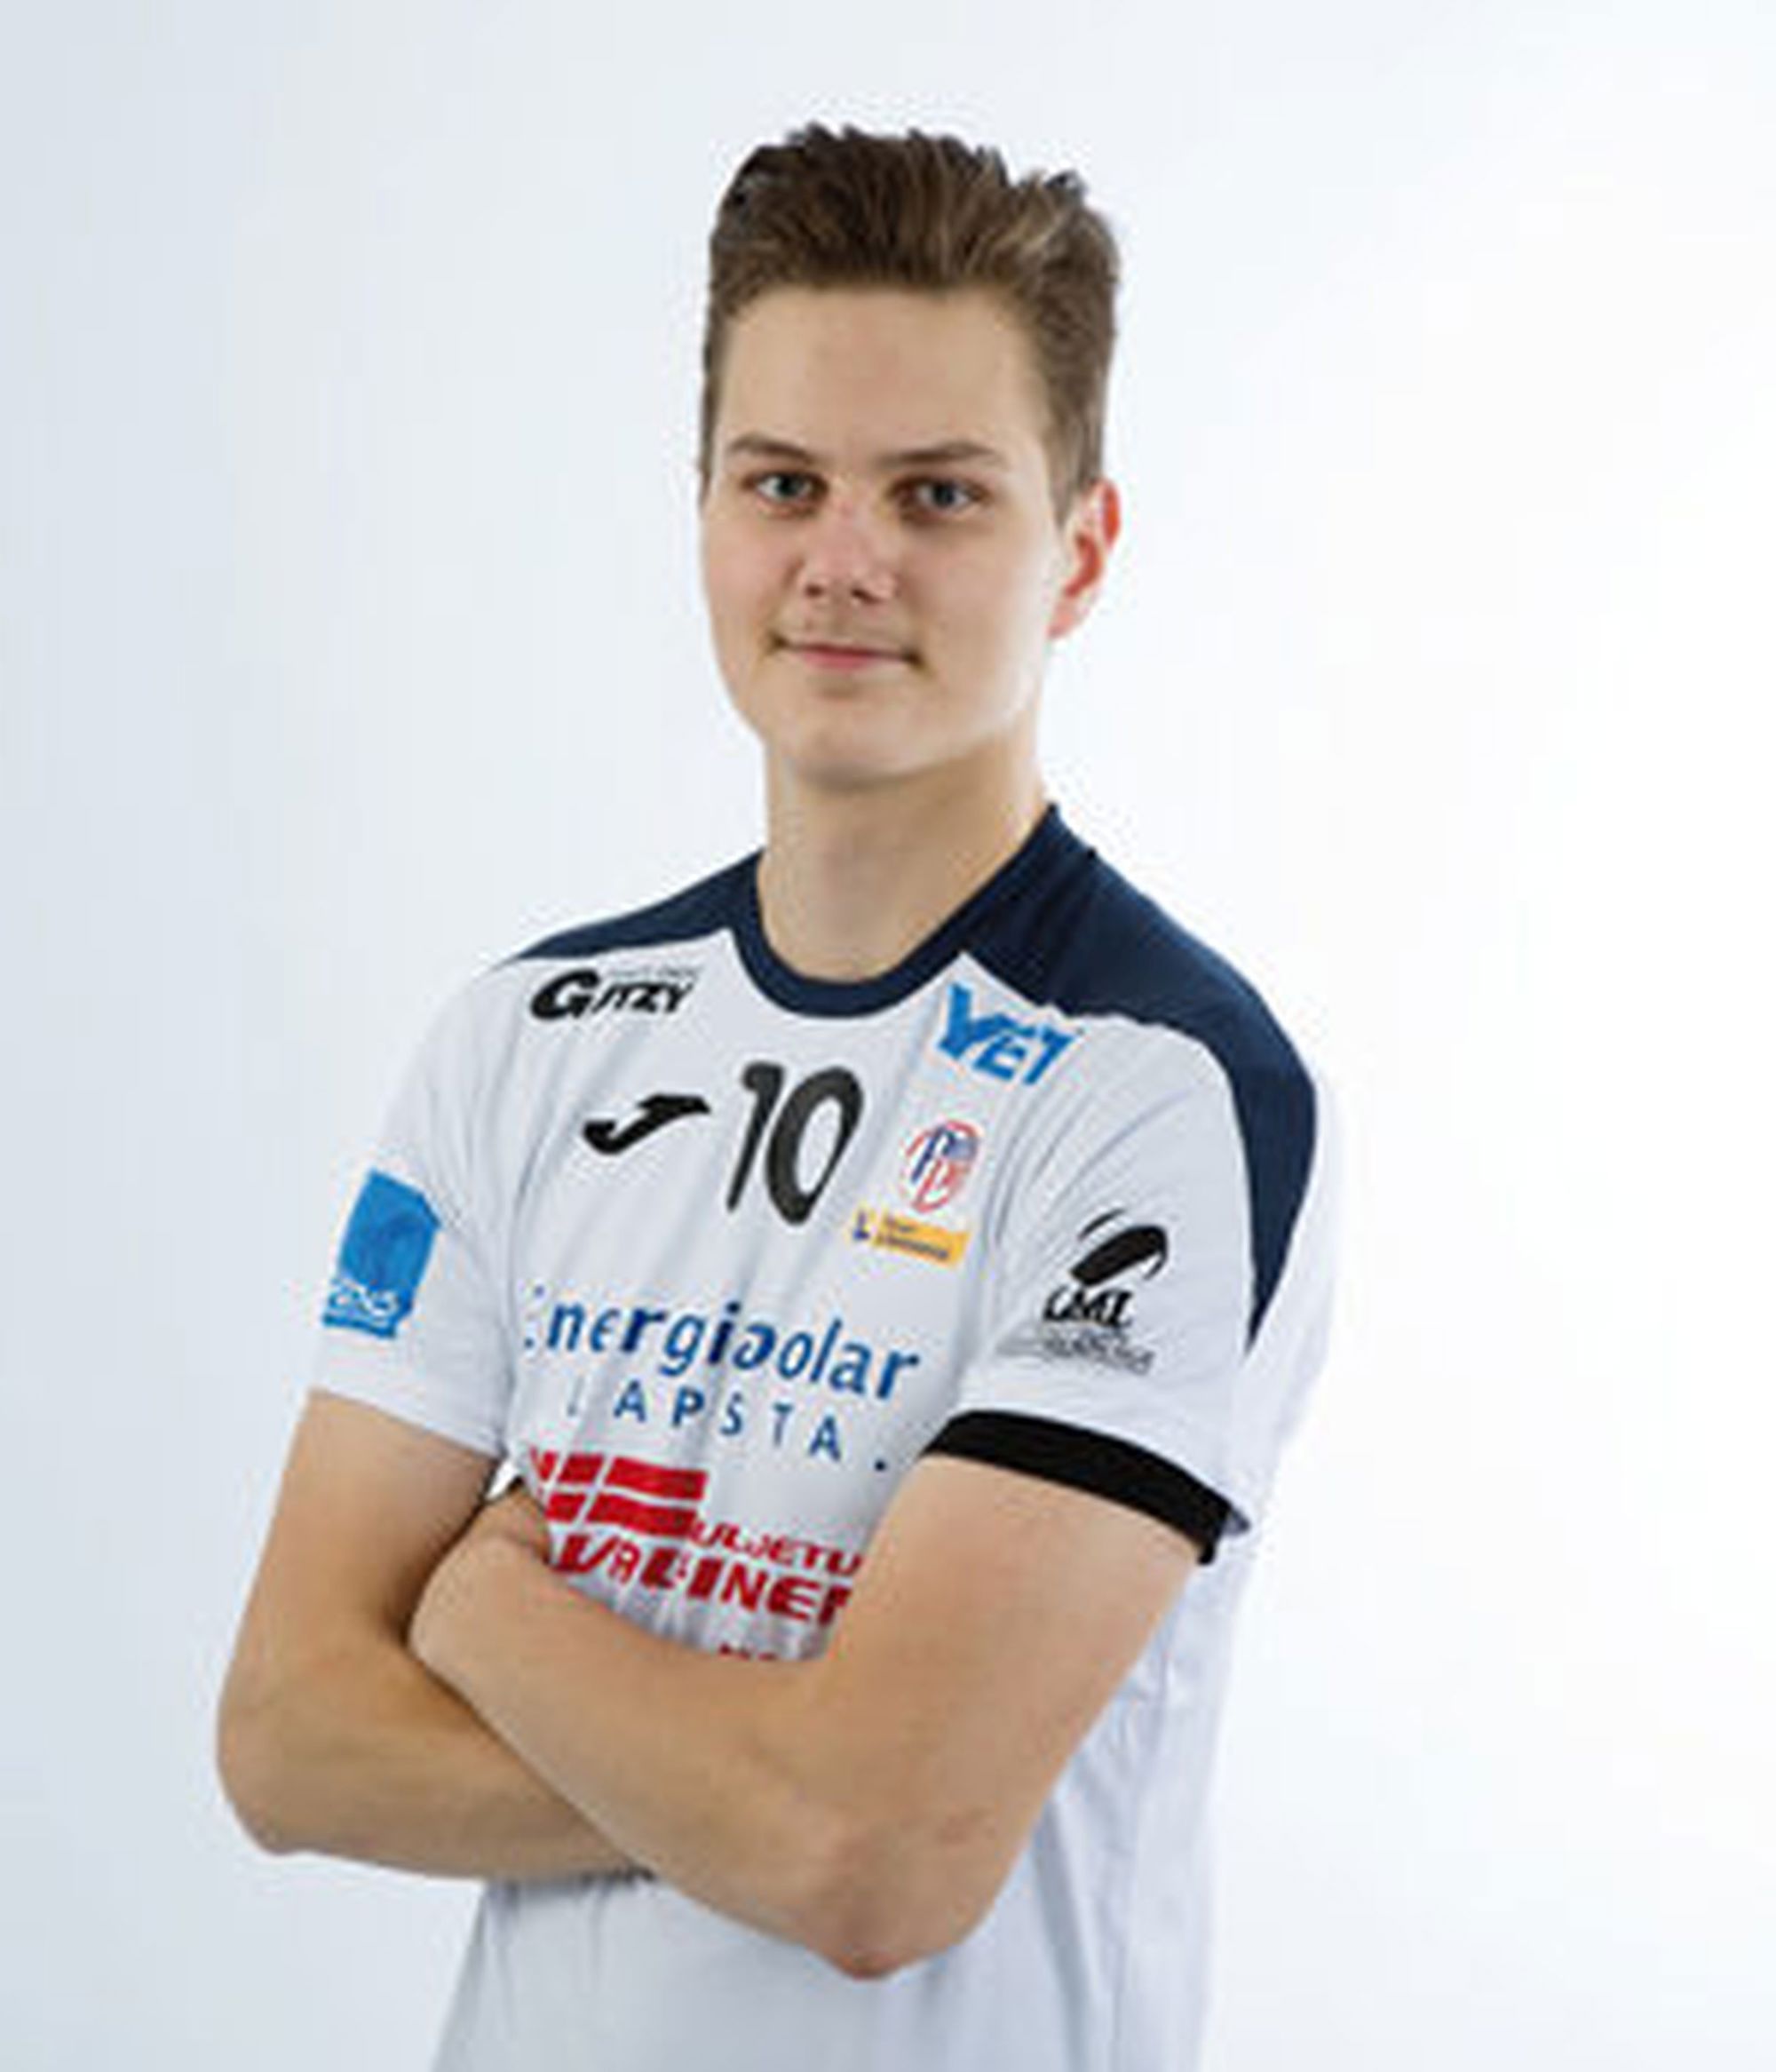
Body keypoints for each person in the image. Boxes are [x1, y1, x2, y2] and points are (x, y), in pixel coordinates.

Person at [218, 123, 1336, 2071]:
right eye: (785, 483)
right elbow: (290, 1735)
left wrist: (484, 1618)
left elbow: (872, 1861)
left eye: (939, 494)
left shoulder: (1164, 1093)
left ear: (1079, 552)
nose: (844, 561)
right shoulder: (527, 1039)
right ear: (706, 510)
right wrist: (770, 1787)